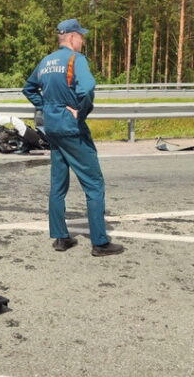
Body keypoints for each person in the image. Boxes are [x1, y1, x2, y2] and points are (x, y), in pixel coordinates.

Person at [22, 19, 124, 256]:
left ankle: (60, 238)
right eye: (81, 36)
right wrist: (82, 111)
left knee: (58, 184)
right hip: (71, 127)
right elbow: (87, 88)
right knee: (94, 184)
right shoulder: (75, 59)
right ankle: (99, 242)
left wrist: (46, 107)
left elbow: (28, 88)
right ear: (71, 36)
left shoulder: (46, 61)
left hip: (52, 128)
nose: (83, 40)